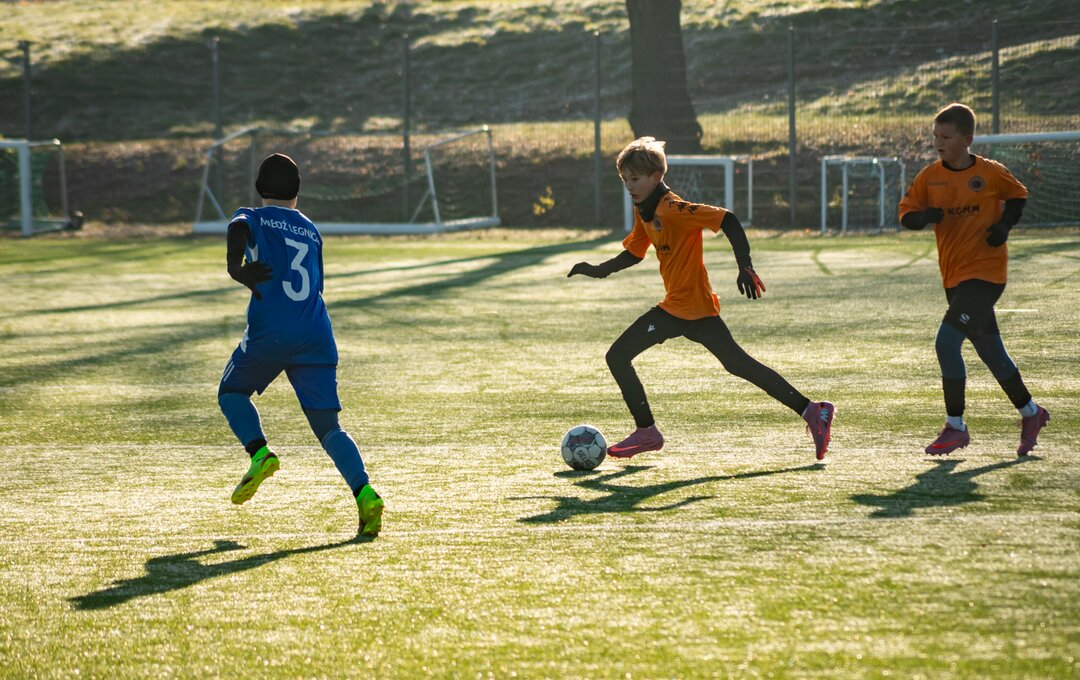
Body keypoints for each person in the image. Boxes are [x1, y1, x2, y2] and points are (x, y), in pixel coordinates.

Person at [568, 137, 835, 460]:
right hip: (695, 309)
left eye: (634, 179)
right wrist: (599, 270)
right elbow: (635, 252)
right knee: (739, 364)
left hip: (681, 309)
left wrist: (745, 266)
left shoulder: (673, 209)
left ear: (656, 177)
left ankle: (647, 431)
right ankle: (812, 410)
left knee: (617, 356)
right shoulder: (645, 210)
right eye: (624, 179)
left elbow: (728, 219)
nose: (629, 186)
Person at [217, 153, 383, 536]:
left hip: (272, 329)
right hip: (316, 333)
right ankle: (365, 493)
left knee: (231, 392)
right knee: (329, 428)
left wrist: (236, 267)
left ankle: (259, 452)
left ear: (259, 189)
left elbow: (237, 227)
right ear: (298, 192)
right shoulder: (310, 229)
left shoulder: (254, 216)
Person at [898, 103, 1049, 456]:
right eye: (936, 136)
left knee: (946, 343)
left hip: (986, 275)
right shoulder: (929, 177)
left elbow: (1018, 195)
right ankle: (1032, 413)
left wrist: (1004, 226)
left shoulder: (990, 172)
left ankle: (956, 426)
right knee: (990, 351)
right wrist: (924, 217)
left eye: (946, 137)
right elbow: (906, 216)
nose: (939, 142)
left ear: (967, 139)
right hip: (954, 277)